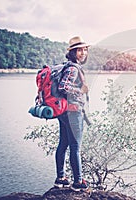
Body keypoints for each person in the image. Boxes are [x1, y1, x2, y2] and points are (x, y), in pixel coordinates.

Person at [54, 36, 90, 192]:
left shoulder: (68, 66)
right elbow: (63, 87)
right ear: (73, 52)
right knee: (75, 147)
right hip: (73, 113)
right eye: (79, 50)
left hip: (64, 112)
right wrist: (79, 90)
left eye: (85, 49)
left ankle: (60, 179)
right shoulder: (73, 68)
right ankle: (77, 182)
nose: (83, 53)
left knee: (63, 144)